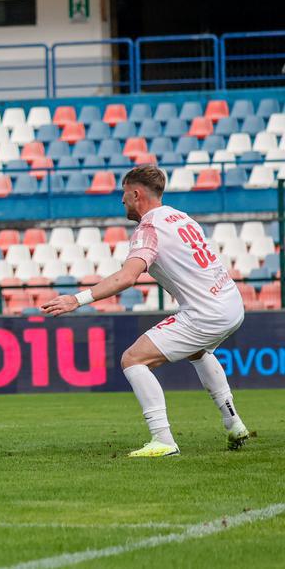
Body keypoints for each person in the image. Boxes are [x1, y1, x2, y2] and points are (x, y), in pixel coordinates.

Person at [42, 164, 249, 457]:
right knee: (198, 352)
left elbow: (127, 277)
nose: (122, 201)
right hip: (231, 302)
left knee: (132, 359)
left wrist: (77, 299)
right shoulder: (182, 218)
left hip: (206, 312)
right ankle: (234, 423)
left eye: (124, 195)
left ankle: (162, 440)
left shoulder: (149, 228)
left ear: (137, 194)